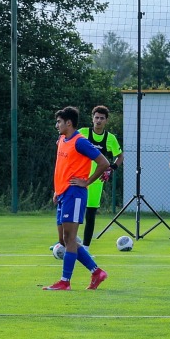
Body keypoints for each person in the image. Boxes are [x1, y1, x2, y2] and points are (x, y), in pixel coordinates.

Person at [45, 106, 111, 291]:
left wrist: (87, 181)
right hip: (63, 193)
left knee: (70, 237)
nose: (56, 125)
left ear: (69, 123)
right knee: (65, 239)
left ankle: (65, 281)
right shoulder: (61, 140)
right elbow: (62, 167)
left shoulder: (80, 142)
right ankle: (97, 272)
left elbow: (104, 163)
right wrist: (57, 189)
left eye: (59, 122)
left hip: (75, 194)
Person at [77, 105, 123, 247]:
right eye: (96, 117)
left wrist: (111, 169)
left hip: (96, 181)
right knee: (72, 212)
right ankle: (65, 242)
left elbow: (120, 156)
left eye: (101, 118)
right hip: (78, 178)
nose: (98, 120)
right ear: (92, 119)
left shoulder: (110, 138)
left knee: (90, 214)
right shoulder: (83, 133)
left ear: (106, 121)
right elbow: (68, 140)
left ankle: (85, 247)